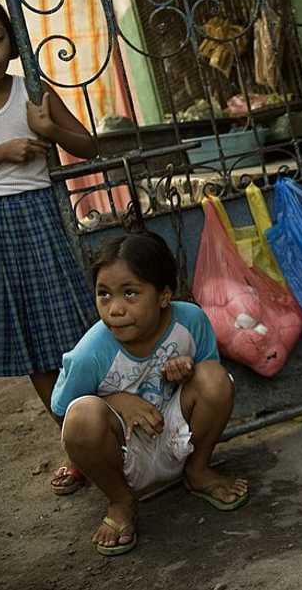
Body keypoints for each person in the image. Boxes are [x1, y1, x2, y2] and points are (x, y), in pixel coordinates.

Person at [0, 0, 99, 498]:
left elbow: (88, 144)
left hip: (42, 216)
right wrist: (1, 153)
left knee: (73, 332)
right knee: (31, 344)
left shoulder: (33, 89)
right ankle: (76, 447)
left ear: (11, 40)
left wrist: (49, 129)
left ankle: (103, 430)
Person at [51, 232, 249, 556]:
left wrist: (188, 373)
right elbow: (64, 412)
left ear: (164, 295)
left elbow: (212, 381)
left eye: (130, 293)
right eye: (104, 294)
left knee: (214, 378)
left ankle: (198, 470)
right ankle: (121, 501)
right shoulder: (90, 353)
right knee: (81, 418)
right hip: (124, 452)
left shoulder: (191, 321)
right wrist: (116, 401)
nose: (114, 309)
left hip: (177, 435)